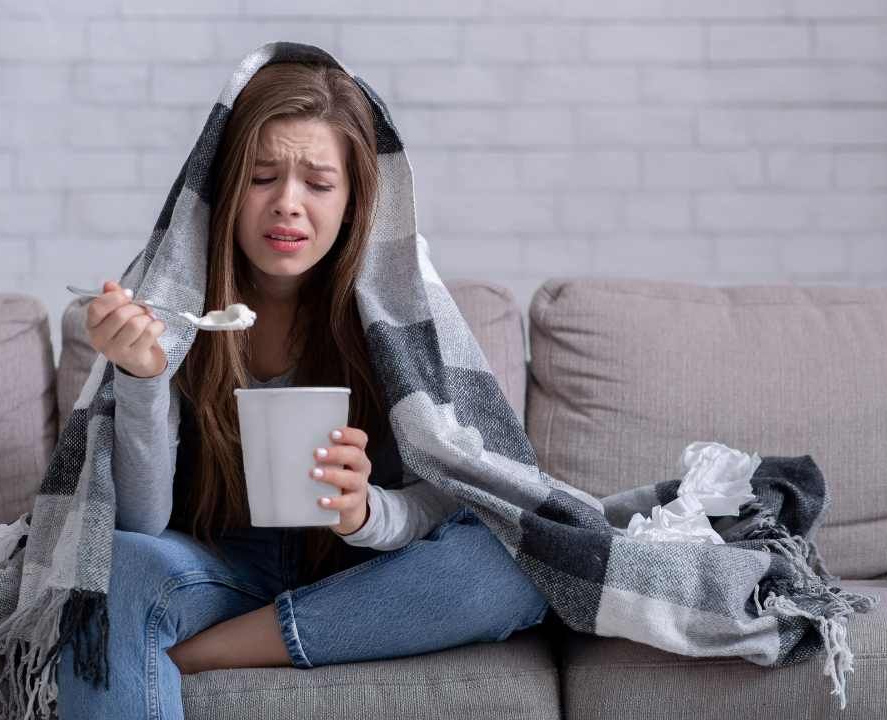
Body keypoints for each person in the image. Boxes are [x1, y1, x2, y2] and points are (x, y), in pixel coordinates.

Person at [55, 58, 549, 720]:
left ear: (352, 204)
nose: (288, 201)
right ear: (228, 188)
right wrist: (143, 380)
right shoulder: (172, 301)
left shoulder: (397, 307)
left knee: (517, 561)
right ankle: (243, 631)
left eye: (318, 183)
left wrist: (368, 512)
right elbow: (140, 523)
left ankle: (206, 651)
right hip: (215, 559)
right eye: (263, 177)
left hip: (356, 571)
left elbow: (460, 492)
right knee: (115, 569)